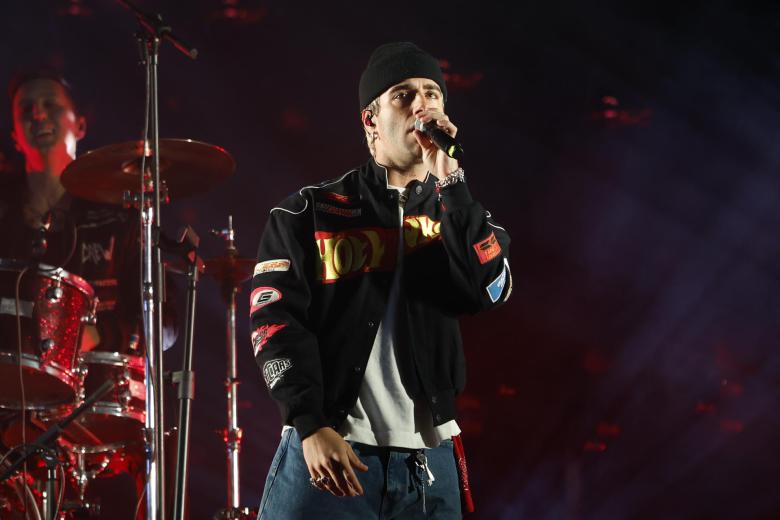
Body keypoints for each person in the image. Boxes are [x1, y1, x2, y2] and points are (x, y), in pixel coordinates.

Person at [249, 42, 512, 518]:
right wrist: (309, 424)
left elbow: (488, 289)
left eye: (432, 94)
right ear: (371, 120)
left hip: (428, 467)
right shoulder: (307, 213)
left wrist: (451, 184)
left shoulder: (462, 213)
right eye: (404, 95)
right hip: (331, 451)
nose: (422, 105)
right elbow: (273, 321)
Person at [0, 71, 175, 519]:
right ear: (15, 132)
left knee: (157, 463)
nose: (38, 113)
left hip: (100, 403)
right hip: (10, 400)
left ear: (80, 124)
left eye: (50, 105)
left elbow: (166, 324)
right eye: (26, 108)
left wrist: (100, 334)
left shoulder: (119, 213)